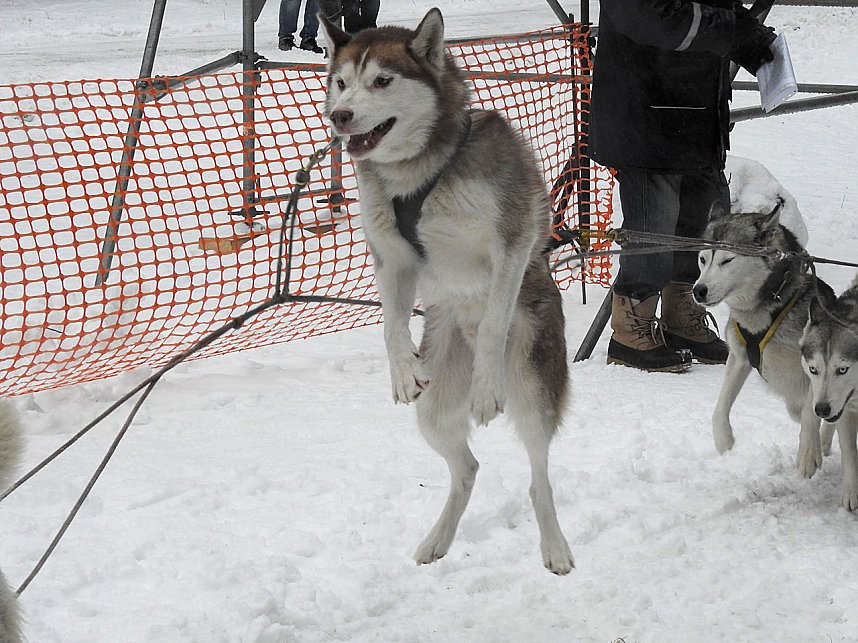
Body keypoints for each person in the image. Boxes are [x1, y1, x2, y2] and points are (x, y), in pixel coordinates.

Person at [588, 1, 777, 372]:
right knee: (654, 228)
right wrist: (730, 28)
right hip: (644, 115)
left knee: (701, 216)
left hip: (698, 114)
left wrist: (749, 36)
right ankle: (631, 329)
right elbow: (652, 17)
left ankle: (682, 317)